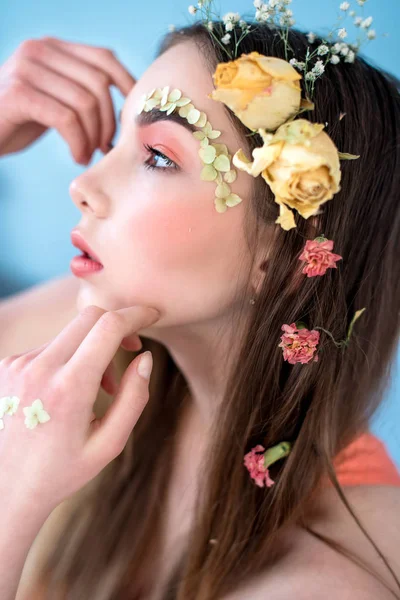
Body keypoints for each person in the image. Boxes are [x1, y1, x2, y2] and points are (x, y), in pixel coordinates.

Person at [0, 14, 399, 600]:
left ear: (286, 257)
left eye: (158, 156)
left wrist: (12, 498)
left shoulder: (330, 579)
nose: (82, 185)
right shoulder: (90, 342)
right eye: (116, 144)